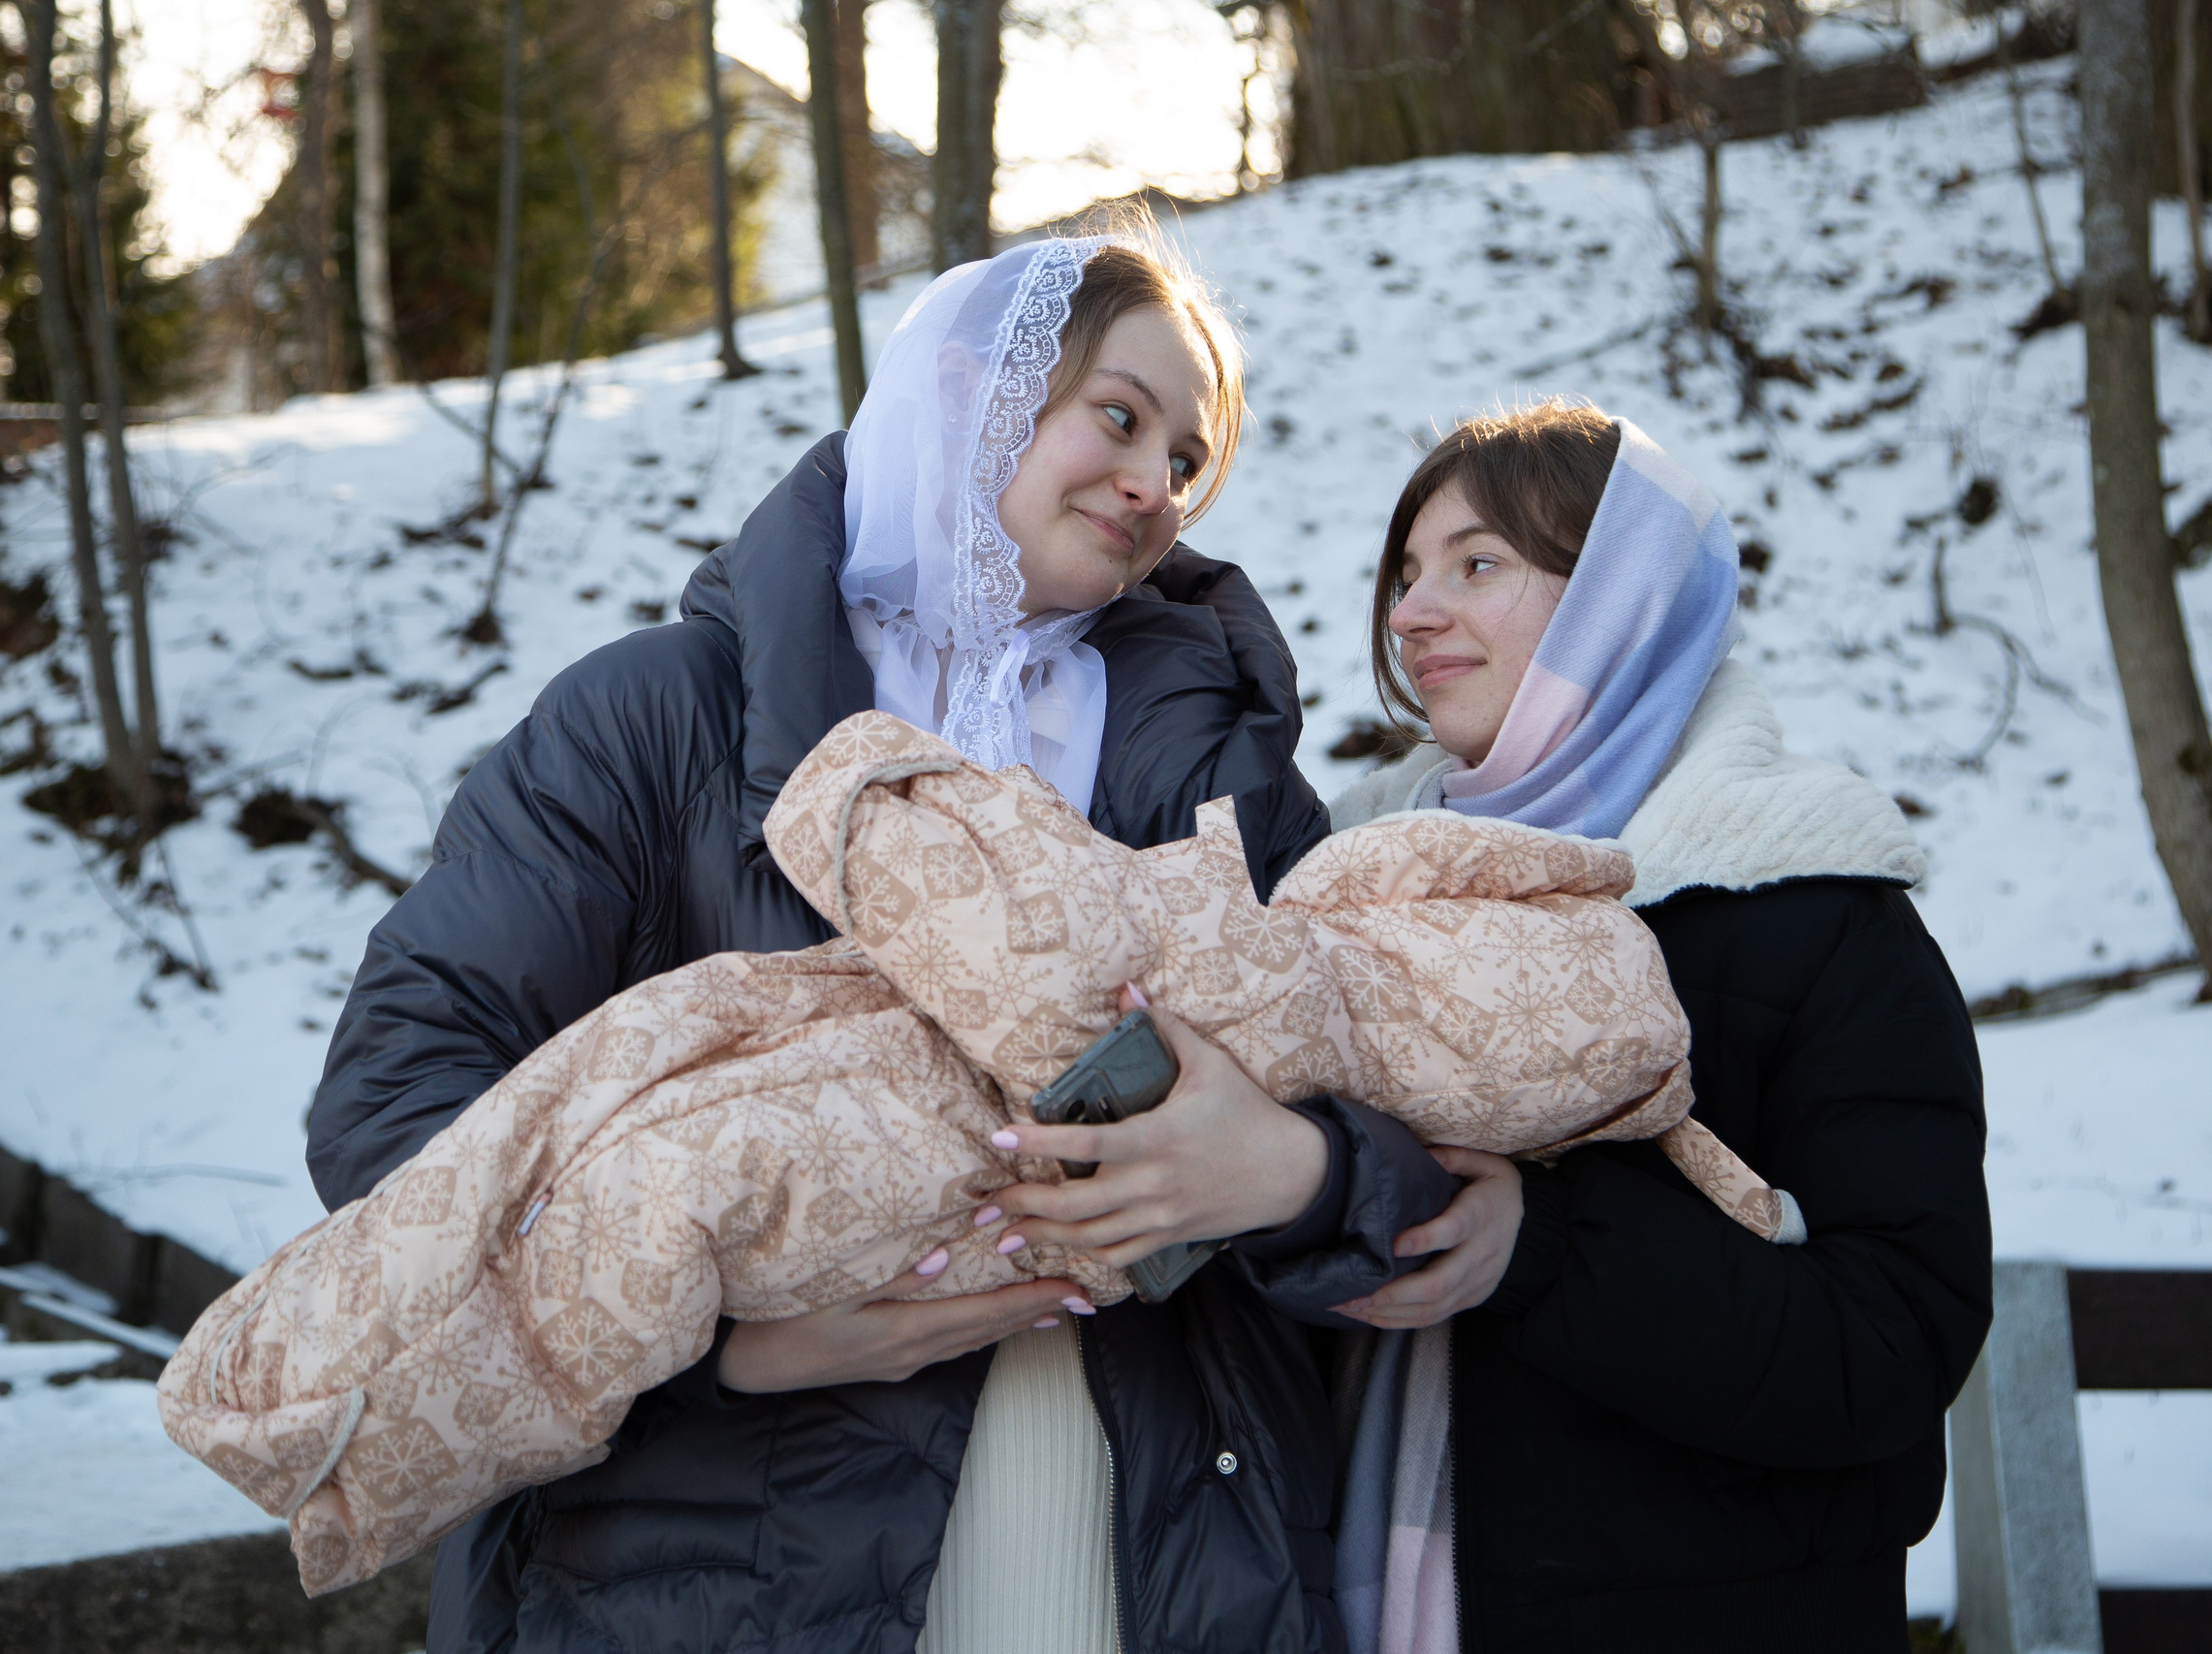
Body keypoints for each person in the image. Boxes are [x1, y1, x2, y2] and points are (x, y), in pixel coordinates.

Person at [303, 229, 1458, 1654]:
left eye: (1187, 456)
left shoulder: (1222, 784)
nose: (1157, 484)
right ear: (975, 385)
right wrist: (724, 1347)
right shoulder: (657, 724)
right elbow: (401, 1108)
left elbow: (1413, 1123)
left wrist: (1293, 1170)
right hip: (714, 1566)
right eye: (1120, 414)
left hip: (1163, 1578)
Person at [1325, 401, 1993, 1653]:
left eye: (1478, 565)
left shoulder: (1809, 910)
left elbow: (1894, 1342)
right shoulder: (1350, 895)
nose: (1412, 615)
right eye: (1408, 576)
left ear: (1616, 603)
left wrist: (1545, 1245)